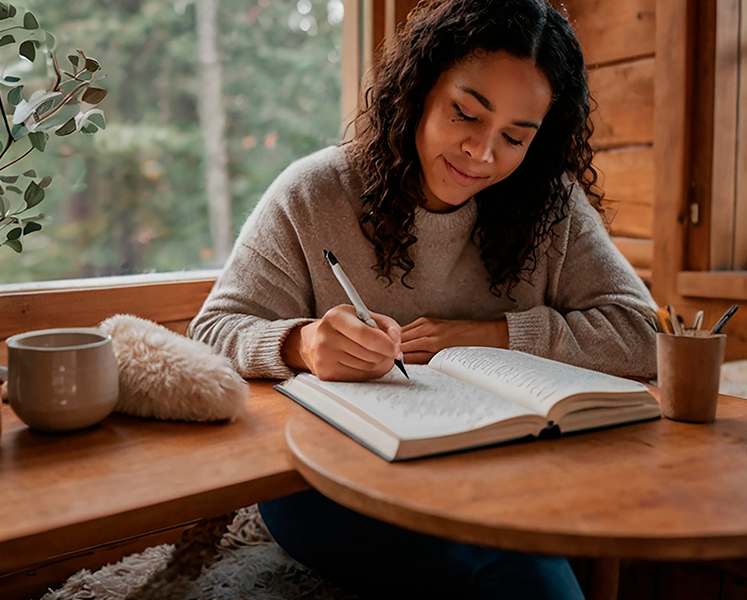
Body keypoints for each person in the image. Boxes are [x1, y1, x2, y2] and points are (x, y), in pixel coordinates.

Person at [189, 0, 657, 597]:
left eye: (515, 137)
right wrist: (301, 343)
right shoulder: (315, 193)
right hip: (330, 480)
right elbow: (210, 334)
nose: (483, 154)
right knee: (517, 570)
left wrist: (493, 335)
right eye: (465, 114)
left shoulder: (552, 207)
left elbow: (645, 335)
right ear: (419, 88)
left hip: (499, 467)